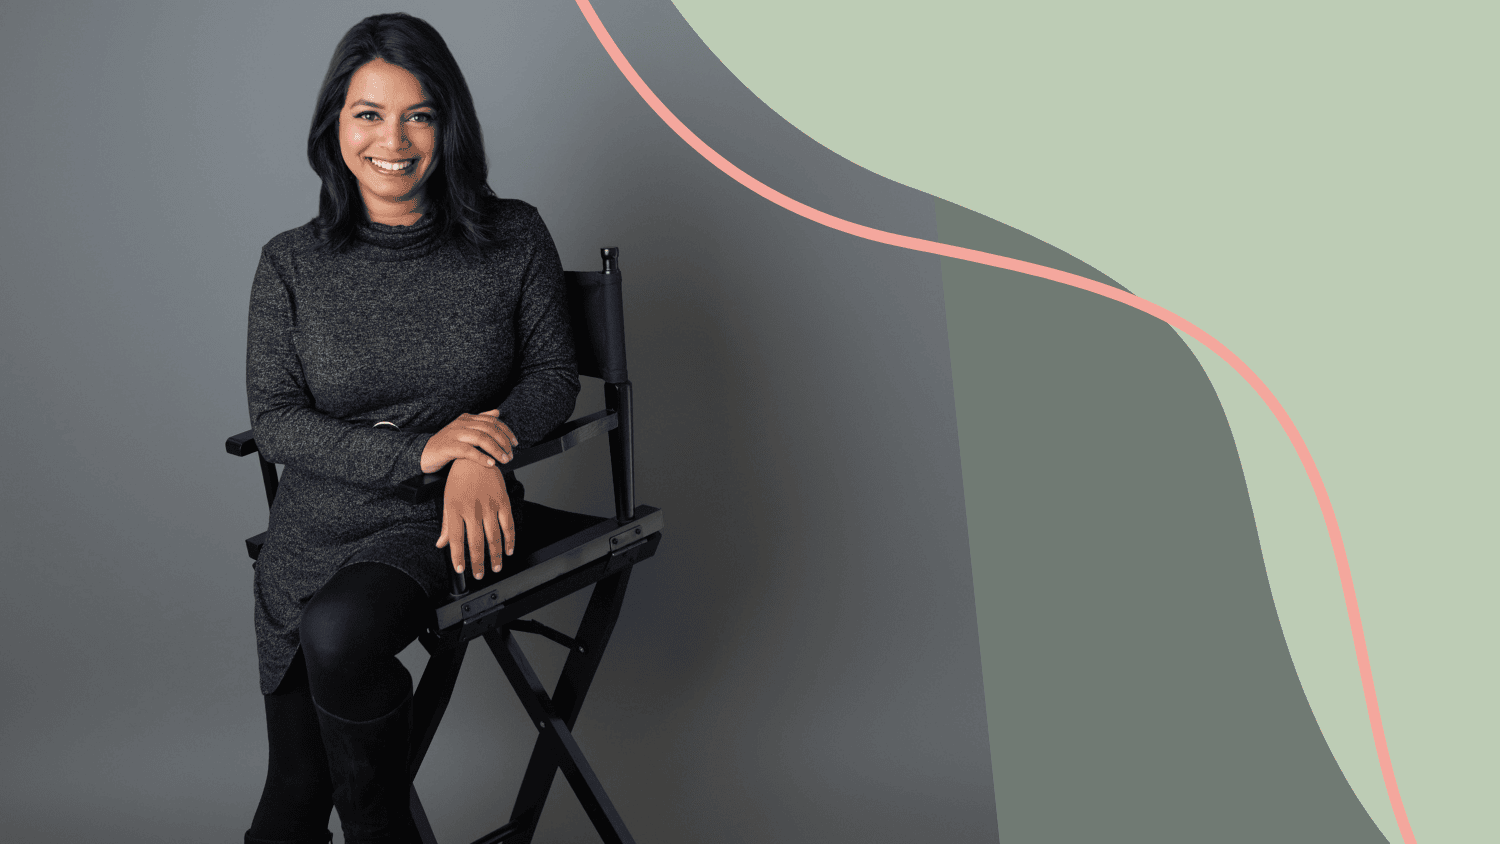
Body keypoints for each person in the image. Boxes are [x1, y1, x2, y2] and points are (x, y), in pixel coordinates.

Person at [242, 13, 578, 844]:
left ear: (447, 125)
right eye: (369, 114)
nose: (392, 140)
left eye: (418, 115)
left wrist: (478, 457)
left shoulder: (513, 236)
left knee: (339, 634)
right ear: (335, 125)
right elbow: (276, 421)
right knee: (291, 800)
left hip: (440, 520)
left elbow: (552, 376)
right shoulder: (289, 262)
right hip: (315, 525)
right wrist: (425, 448)